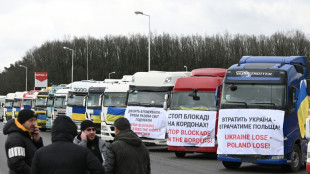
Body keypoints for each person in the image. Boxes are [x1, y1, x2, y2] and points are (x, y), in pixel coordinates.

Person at [30, 116, 105, 174]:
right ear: (72, 132)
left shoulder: (40, 153)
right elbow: (99, 170)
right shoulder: (83, 152)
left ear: (54, 132)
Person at [3, 109, 43, 174]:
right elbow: (17, 165)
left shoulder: (25, 134)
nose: (34, 123)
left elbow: (38, 156)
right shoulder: (15, 139)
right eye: (31, 120)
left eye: (35, 120)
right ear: (22, 121)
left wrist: (37, 141)